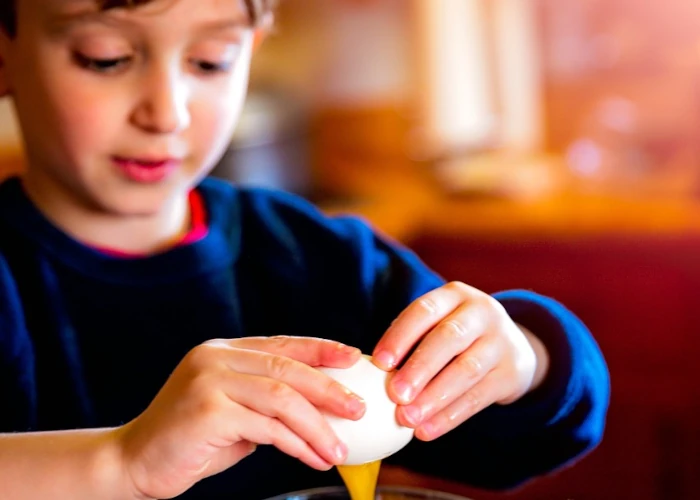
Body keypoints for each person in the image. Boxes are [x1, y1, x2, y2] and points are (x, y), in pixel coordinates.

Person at [0, 0, 610, 498]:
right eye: (104, 59)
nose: (168, 112)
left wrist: (525, 361)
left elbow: (517, 444)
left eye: (210, 62)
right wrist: (120, 463)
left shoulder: (320, 261)